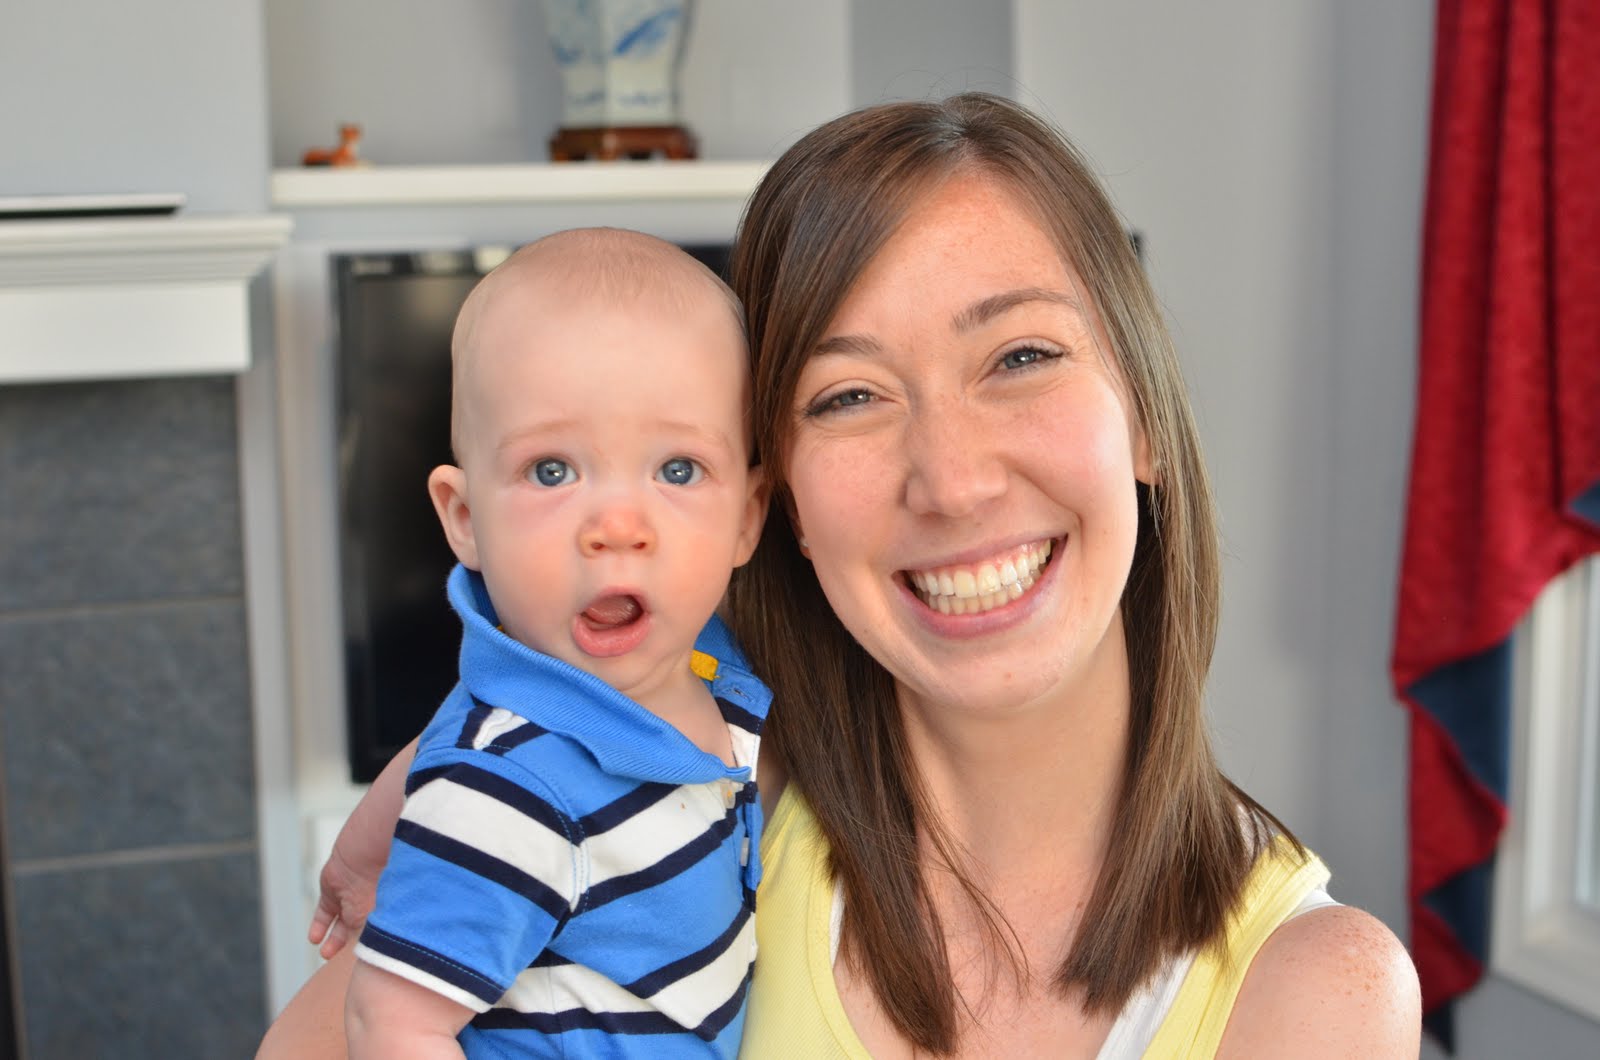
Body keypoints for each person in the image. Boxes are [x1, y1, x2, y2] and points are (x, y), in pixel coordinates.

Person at [260, 95, 1420, 1059]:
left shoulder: (1319, 993)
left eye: (1020, 355)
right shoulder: (687, 798)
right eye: (848, 396)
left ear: (1146, 420)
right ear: (781, 506)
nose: (951, 481)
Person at [337, 228, 771, 1059]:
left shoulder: (713, 665)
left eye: (678, 469)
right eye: (552, 471)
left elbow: (456, 726)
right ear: (466, 518)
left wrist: (367, 837)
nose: (618, 526)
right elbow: (390, 1023)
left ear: (747, 518)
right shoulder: (503, 790)